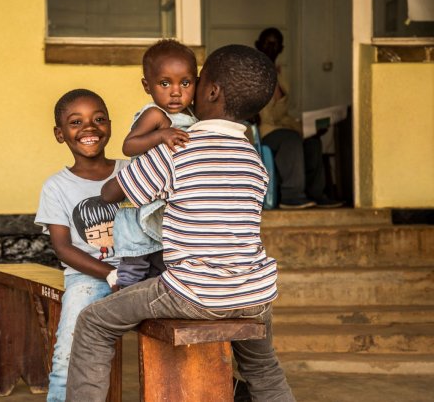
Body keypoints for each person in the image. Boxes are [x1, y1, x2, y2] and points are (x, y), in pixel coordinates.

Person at [65, 45, 295, 402]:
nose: (183, 93)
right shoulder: (254, 158)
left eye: (195, 83)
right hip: (254, 293)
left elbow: (113, 192)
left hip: (191, 291)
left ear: (212, 92)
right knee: (263, 368)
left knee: (94, 322)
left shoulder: (179, 145)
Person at [34, 89, 129, 402]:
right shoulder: (56, 187)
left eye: (98, 119)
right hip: (87, 277)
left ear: (110, 126)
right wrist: (110, 274)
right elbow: (63, 249)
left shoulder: (131, 171)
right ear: (60, 134)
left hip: (138, 271)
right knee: (70, 348)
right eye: (76, 122)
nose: (90, 127)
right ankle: (61, 396)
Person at [108, 39, 198, 289]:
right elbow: (129, 146)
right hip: (140, 204)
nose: (176, 91)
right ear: (147, 86)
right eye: (165, 83)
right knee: (135, 266)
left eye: (186, 83)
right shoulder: (156, 115)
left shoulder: (192, 116)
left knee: (160, 269)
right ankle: (119, 307)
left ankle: (148, 321)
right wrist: (161, 135)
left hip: (165, 207)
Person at [255, 27, 343, 209]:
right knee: (290, 139)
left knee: (313, 142)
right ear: (258, 45)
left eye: (276, 43)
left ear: (281, 48)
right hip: (264, 130)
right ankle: (291, 195)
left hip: (282, 127)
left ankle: (316, 194)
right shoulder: (251, 71)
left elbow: (282, 113)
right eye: (267, 42)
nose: (271, 46)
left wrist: (310, 128)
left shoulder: (279, 75)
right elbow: (265, 115)